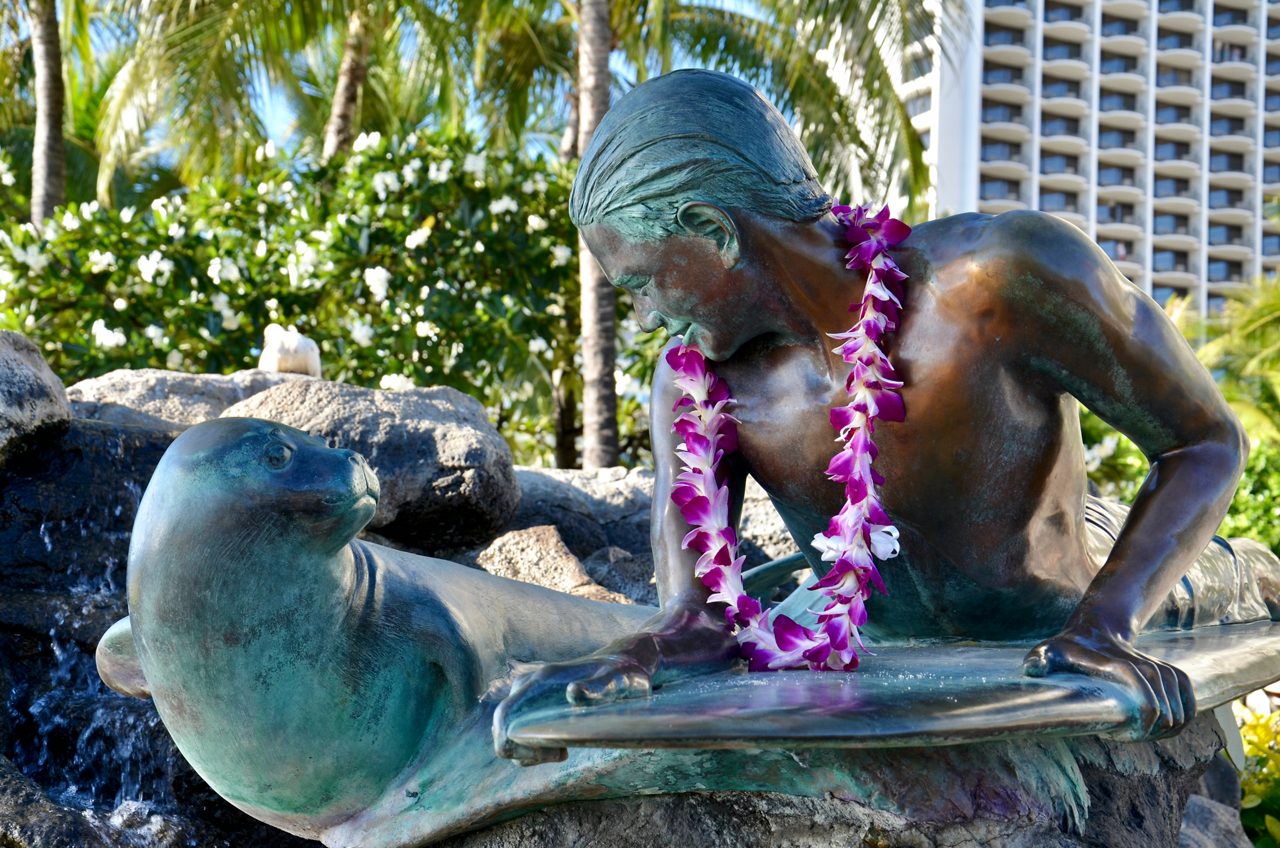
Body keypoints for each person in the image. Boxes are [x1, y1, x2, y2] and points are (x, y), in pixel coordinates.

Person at [493, 69, 1276, 765]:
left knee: (1248, 579)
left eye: (640, 285)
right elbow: (698, 620)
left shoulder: (999, 279)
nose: (644, 320)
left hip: (1080, 577)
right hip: (874, 637)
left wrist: (1105, 626)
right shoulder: (695, 384)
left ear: (713, 232)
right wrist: (627, 659)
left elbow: (1202, 442)